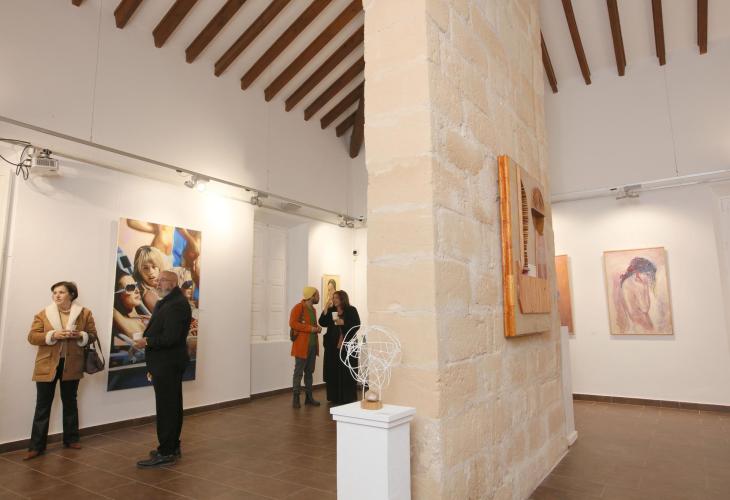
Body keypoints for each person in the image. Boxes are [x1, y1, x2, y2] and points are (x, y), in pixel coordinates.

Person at [25, 281, 97, 460]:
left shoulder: (84, 313)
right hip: (47, 365)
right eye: (54, 292)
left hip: (72, 365)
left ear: (71, 294)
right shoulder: (43, 313)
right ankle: (36, 446)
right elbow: (32, 337)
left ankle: (71, 439)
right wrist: (53, 335)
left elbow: (92, 335)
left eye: (61, 292)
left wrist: (81, 335)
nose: (56, 295)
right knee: (42, 406)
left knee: (70, 402)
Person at [133, 270, 192, 468]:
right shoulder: (166, 302)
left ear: (173, 283)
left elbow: (171, 338)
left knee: (167, 408)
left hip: (168, 363)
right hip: (164, 363)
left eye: (162, 280)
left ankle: (166, 452)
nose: (158, 283)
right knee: (170, 406)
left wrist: (147, 341)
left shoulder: (177, 304)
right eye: (157, 281)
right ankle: (171, 446)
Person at [320, 290, 361, 405]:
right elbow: (322, 322)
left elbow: (357, 324)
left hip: (347, 345)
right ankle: (334, 396)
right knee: (333, 370)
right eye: (333, 298)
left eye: (336, 298)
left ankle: (347, 396)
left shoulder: (351, 310)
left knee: (346, 370)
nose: (334, 300)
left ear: (343, 299)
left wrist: (343, 322)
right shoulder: (331, 310)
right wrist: (326, 308)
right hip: (332, 346)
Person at [289, 286, 322, 408]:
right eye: (317, 295)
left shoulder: (313, 310)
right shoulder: (298, 307)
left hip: (312, 346)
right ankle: (296, 398)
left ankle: (309, 397)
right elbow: (293, 323)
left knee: (309, 372)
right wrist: (310, 329)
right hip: (301, 346)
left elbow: (311, 325)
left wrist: (317, 328)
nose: (318, 297)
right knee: (298, 372)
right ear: (311, 296)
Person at [111, 272, 149, 365]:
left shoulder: (145, 316)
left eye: (136, 285)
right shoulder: (124, 323)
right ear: (118, 295)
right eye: (130, 288)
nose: (137, 290)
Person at [613, 257, 657, 334]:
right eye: (647, 274)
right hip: (640, 324)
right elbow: (645, 308)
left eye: (650, 275)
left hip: (637, 323)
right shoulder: (636, 284)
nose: (649, 278)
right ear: (638, 272)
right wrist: (645, 287)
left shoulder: (630, 281)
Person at [132, 245, 169, 312]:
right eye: (145, 268)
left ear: (159, 268)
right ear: (139, 271)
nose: (151, 272)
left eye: (154, 267)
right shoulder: (149, 294)